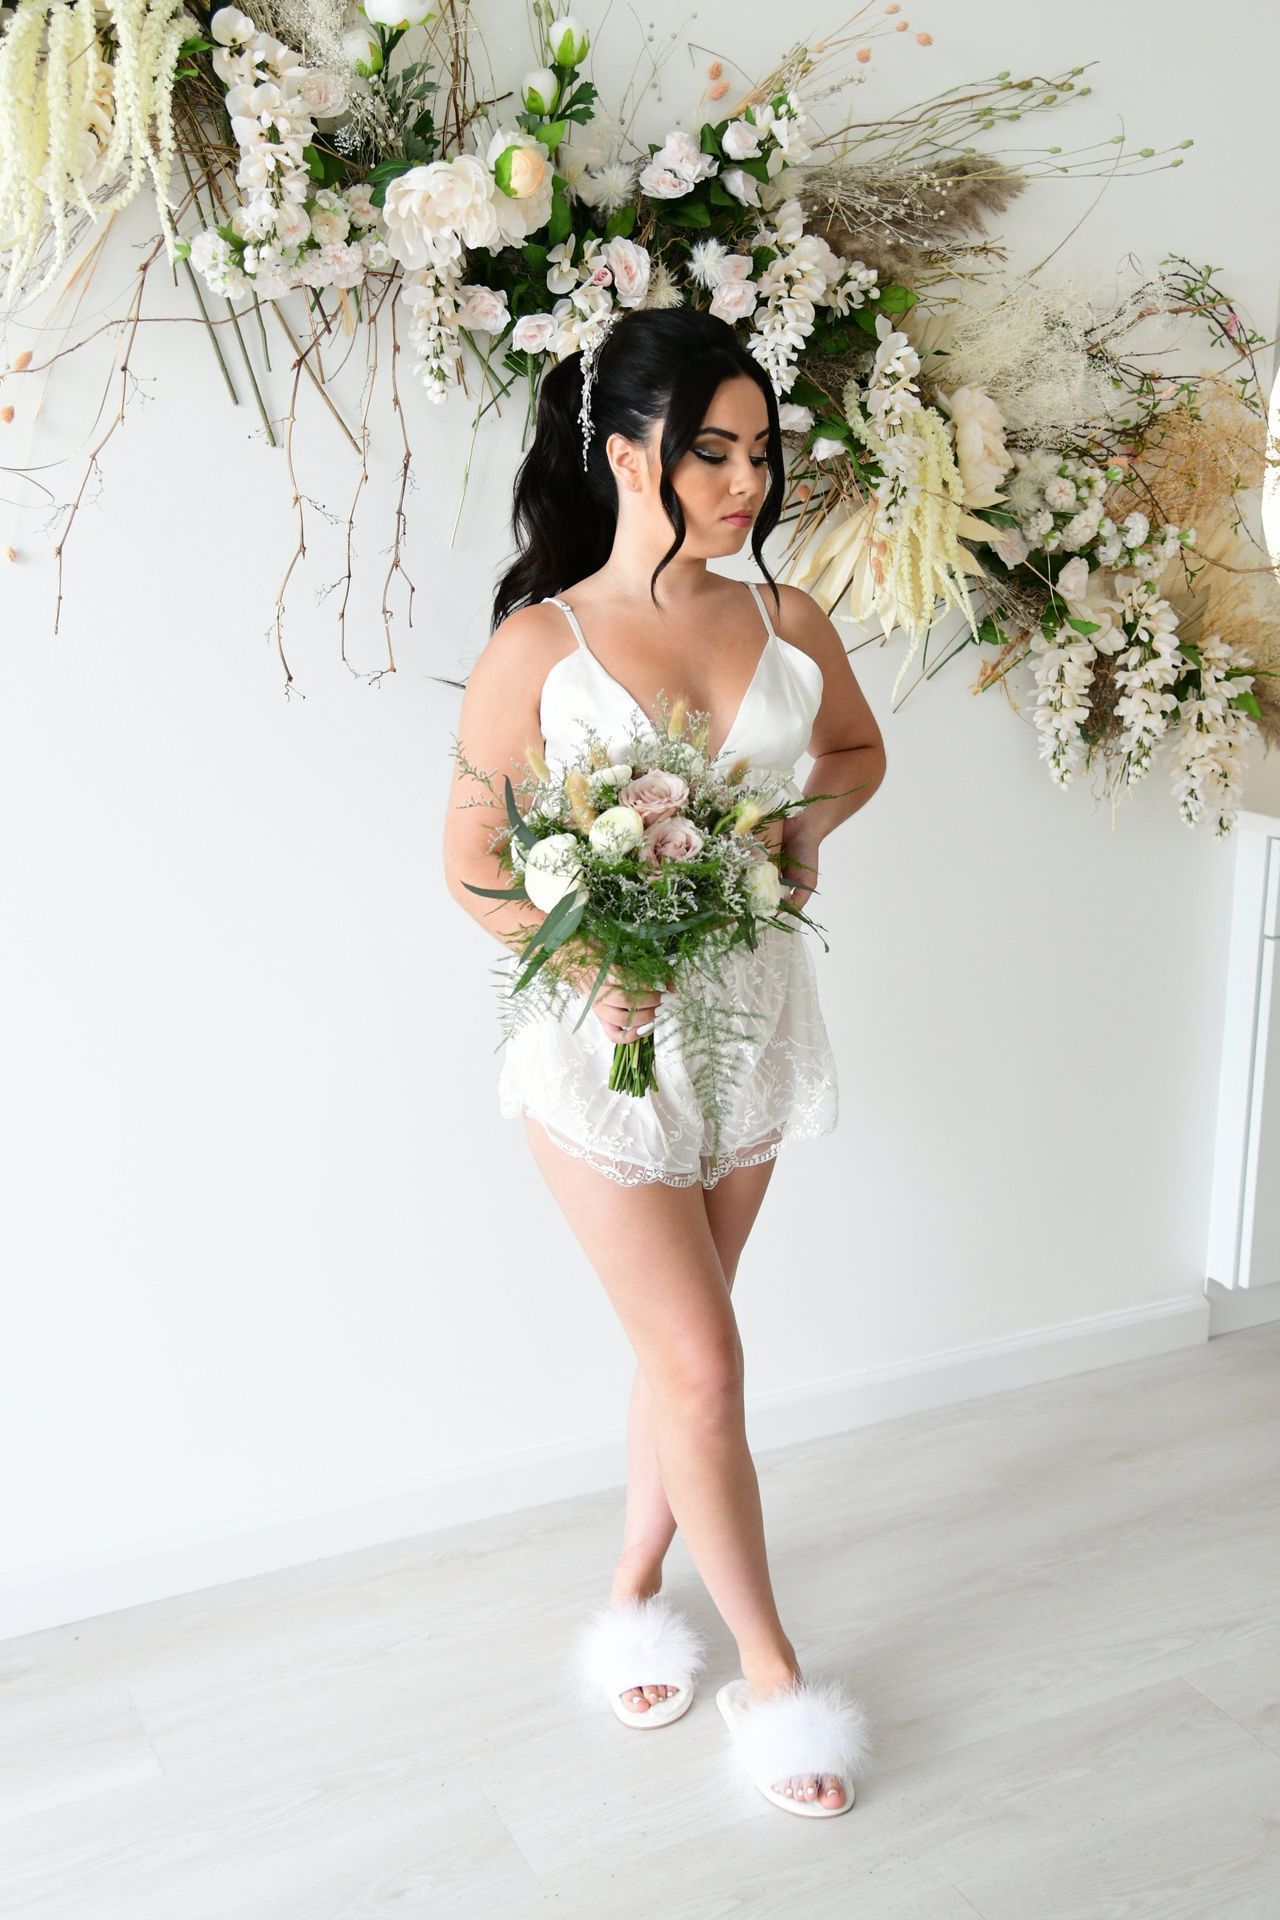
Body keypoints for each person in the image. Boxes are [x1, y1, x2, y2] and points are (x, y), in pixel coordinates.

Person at [443, 307, 887, 1818]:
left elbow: (855, 754)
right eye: (713, 452)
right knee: (705, 1363)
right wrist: (581, 955)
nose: (746, 481)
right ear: (628, 451)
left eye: (761, 452)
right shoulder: (540, 645)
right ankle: (771, 1673)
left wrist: (801, 830)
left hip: (750, 1032)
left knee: (677, 1357)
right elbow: (469, 856)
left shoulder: (789, 623)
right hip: (600, 1056)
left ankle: (635, 1585)